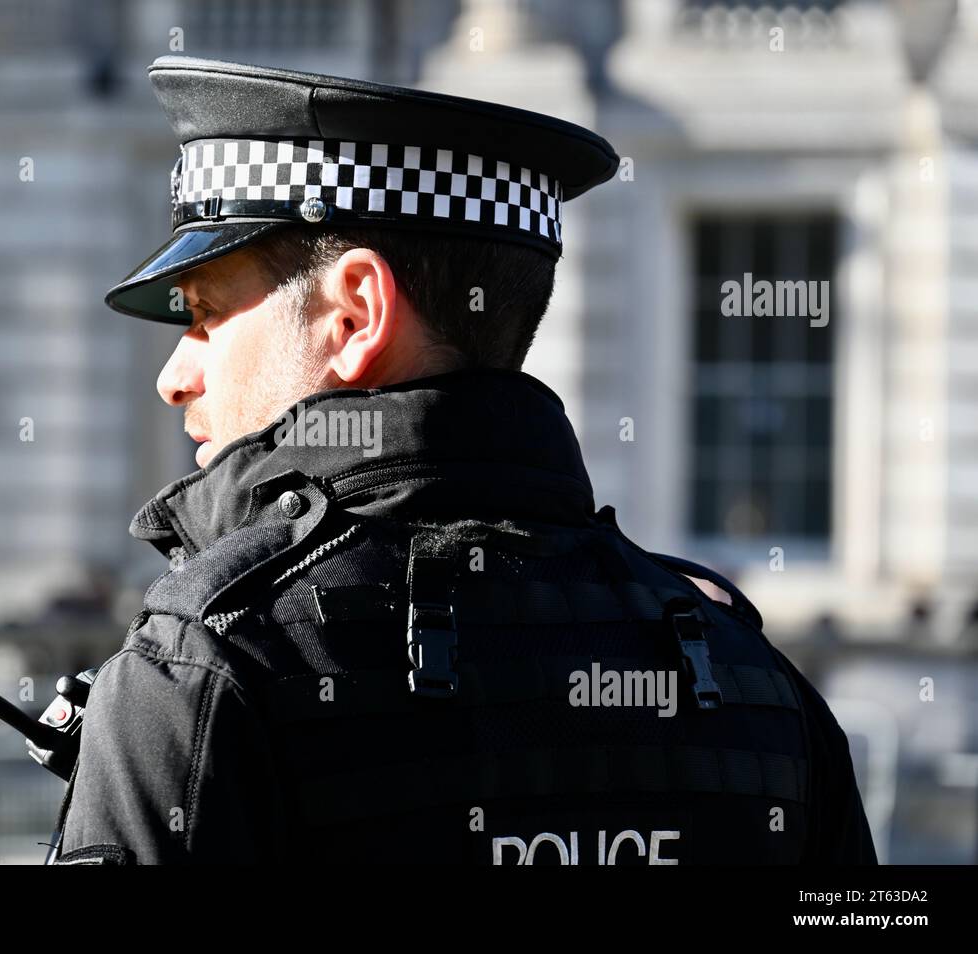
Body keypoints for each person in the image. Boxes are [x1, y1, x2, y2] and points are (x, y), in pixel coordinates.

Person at [47, 56, 877, 865]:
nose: (174, 376)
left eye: (205, 316)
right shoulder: (753, 679)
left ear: (354, 315)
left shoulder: (212, 661)